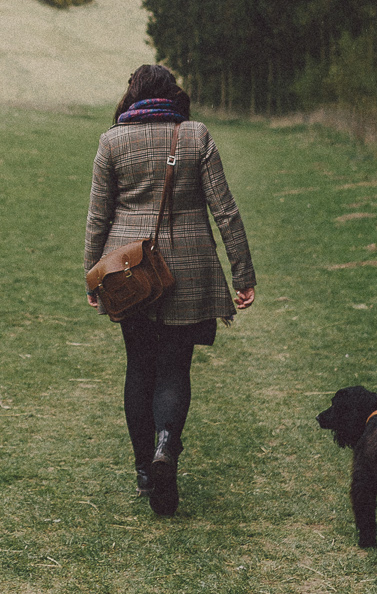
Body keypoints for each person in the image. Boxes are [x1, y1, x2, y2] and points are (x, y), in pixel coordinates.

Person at [84, 64, 255, 517]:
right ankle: (166, 446)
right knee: (175, 367)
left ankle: (145, 471)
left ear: (133, 95)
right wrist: (242, 274)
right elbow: (226, 211)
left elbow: (98, 217)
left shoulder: (112, 141)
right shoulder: (195, 135)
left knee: (139, 366)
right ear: (172, 92)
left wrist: (91, 275)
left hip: (127, 272)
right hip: (189, 269)